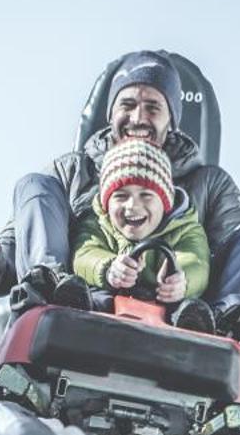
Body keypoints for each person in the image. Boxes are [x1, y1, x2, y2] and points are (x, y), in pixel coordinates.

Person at [0, 51, 240, 351]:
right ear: (110, 114)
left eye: (153, 107)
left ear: (171, 119)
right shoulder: (71, 172)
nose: (138, 117)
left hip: (180, 324)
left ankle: (230, 322)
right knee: (34, 185)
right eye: (127, 105)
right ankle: (48, 287)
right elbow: (22, 237)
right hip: (80, 307)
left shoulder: (209, 185)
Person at [70, 138, 217, 333]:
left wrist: (182, 279)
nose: (132, 206)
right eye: (121, 196)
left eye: (146, 195)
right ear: (106, 203)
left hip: (164, 308)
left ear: (165, 202)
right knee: (96, 297)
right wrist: (108, 268)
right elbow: (84, 253)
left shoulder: (185, 228)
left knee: (183, 309)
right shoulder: (98, 223)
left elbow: (197, 260)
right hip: (109, 303)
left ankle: (191, 324)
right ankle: (75, 305)